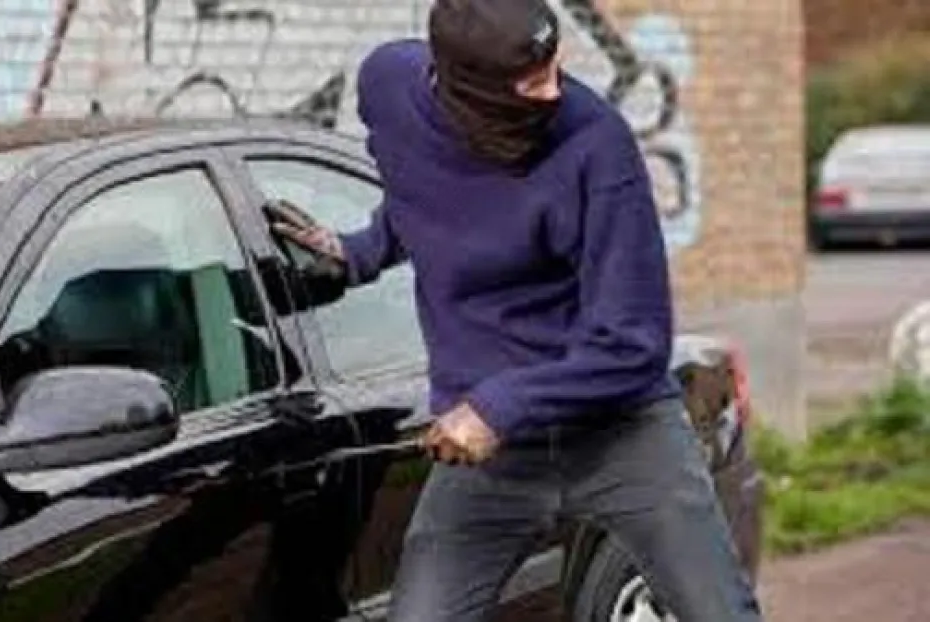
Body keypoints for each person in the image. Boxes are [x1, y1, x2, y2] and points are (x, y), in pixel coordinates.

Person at [267, 0, 765, 620]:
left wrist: (499, 406)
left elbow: (633, 342)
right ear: (467, 86)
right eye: (532, 83)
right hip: (492, 459)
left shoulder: (595, 143)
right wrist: (358, 252)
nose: (556, 92)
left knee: (720, 611)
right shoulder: (390, 87)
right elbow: (417, 186)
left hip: (620, 435)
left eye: (556, 68)